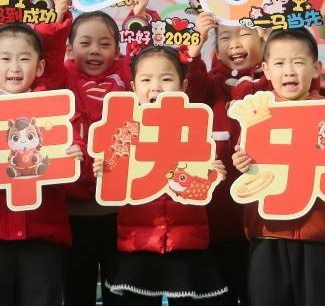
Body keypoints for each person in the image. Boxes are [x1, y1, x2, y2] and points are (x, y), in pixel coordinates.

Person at [0, 22, 85, 306]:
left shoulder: (54, 108)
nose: (14, 67)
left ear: (40, 66)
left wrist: (77, 152)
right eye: (6, 58)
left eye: (24, 59)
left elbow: (73, 144)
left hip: (42, 235)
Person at [232, 28, 325, 305]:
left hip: (317, 238)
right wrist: (241, 163)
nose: (289, 71)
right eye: (280, 63)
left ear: (316, 68)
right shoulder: (257, 113)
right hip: (266, 234)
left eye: (298, 62)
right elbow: (247, 161)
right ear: (266, 70)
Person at [95, 45, 230, 305]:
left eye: (166, 79)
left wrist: (214, 174)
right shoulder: (123, 129)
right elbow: (109, 178)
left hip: (186, 243)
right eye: (146, 80)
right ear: (133, 87)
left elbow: (204, 180)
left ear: (183, 85)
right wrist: (104, 168)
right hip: (138, 243)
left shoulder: (196, 128)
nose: (155, 87)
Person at [56, 0, 148, 305]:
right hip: (71, 210)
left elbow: (145, 62)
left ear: (117, 51)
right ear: (70, 49)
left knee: (121, 292)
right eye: (85, 43)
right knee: (75, 291)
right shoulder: (61, 77)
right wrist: (60, 14)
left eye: (105, 43)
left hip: (118, 210)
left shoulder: (126, 76)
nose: (95, 50)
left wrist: (138, 17)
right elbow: (47, 51)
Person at [184, 14, 265, 304]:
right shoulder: (210, 85)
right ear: (216, 50)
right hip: (216, 218)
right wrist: (195, 49)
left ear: (263, 38)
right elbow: (189, 89)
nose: (234, 43)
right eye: (225, 37)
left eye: (244, 33)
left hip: (261, 222)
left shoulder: (273, 83)